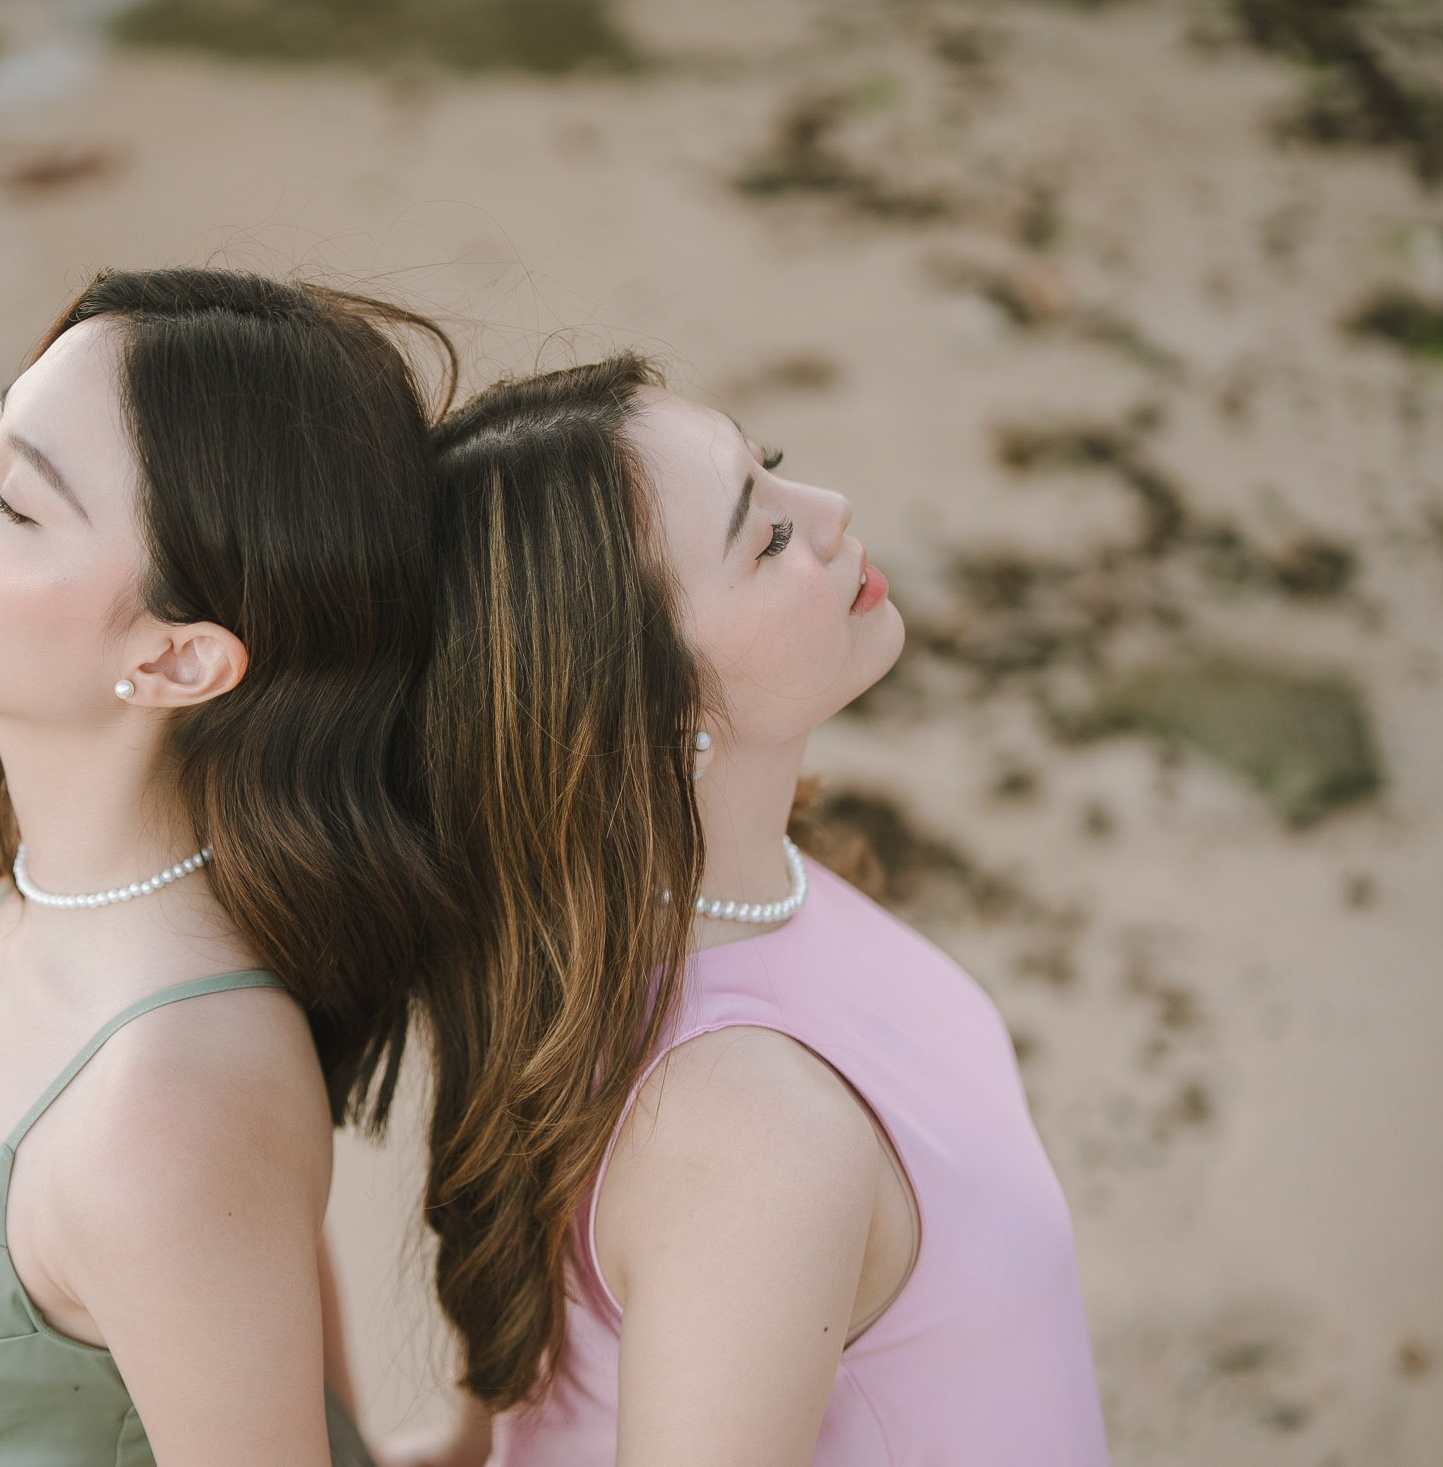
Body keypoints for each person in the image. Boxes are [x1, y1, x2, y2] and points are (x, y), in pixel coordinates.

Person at [391, 356, 1111, 1466]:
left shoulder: (651, 918)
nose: (829, 510)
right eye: (766, 535)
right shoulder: (748, 1136)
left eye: (771, 467)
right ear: (641, 716)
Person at [0, 268, 456, 1467]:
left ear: (177, 661)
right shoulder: (67, 898)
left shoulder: (166, 1105)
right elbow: (259, 1248)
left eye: (14, 503)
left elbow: (209, 1194)